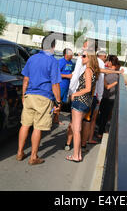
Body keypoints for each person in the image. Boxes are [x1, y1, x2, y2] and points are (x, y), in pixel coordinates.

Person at [16, 34, 62, 165]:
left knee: (25, 125)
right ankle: (33, 157)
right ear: (53, 46)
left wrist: (23, 96)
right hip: (44, 98)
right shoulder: (53, 61)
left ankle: (20, 152)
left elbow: (25, 79)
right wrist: (58, 102)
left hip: (29, 95)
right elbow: (55, 84)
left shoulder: (32, 58)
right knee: (38, 127)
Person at [66, 50, 100, 162]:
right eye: (81, 55)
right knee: (78, 129)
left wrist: (75, 93)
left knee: (76, 130)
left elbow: (88, 88)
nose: (82, 57)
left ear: (90, 58)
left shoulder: (88, 71)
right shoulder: (93, 71)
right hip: (86, 103)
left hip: (80, 101)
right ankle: (79, 154)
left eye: (84, 56)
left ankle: (76, 156)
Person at [83, 50, 107, 146]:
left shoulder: (87, 62)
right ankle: (87, 140)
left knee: (81, 119)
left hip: (84, 94)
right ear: (103, 56)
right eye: (106, 57)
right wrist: (100, 97)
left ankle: (72, 142)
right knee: (90, 120)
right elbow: (100, 82)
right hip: (93, 95)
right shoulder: (99, 64)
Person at [97, 56, 120, 139]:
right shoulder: (117, 75)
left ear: (110, 62)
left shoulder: (106, 73)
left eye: (108, 61)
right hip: (111, 98)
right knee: (105, 116)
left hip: (104, 96)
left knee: (103, 115)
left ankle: (100, 132)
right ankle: (101, 132)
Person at [55, 48, 75, 124]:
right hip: (60, 85)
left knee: (61, 103)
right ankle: (53, 118)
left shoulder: (71, 63)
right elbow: (56, 74)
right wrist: (67, 76)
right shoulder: (60, 62)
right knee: (57, 102)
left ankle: (56, 118)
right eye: (71, 54)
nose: (72, 55)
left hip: (67, 86)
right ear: (66, 54)